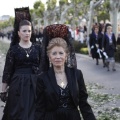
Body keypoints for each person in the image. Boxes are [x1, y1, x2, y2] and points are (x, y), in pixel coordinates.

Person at [35, 24, 96, 120]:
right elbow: (39, 108)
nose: (58, 57)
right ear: (49, 57)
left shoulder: (77, 75)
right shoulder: (42, 78)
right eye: (54, 53)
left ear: (66, 55)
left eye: (61, 53)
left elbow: (83, 104)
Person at [0, 8, 41, 120]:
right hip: (17, 86)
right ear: (18, 33)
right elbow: (7, 71)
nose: (27, 33)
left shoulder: (38, 48)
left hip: (35, 85)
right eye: (24, 31)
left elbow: (44, 67)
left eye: (29, 31)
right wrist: (3, 90)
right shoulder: (13, 50)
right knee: (18, 114)